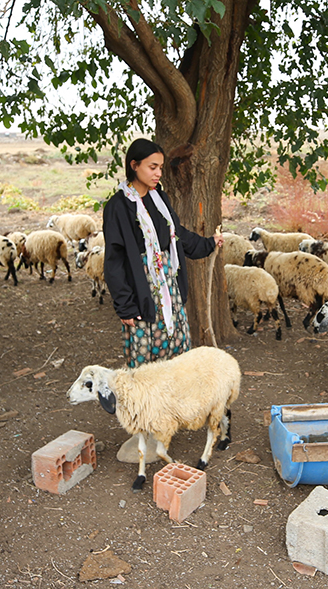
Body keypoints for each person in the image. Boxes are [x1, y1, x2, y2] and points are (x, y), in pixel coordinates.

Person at [102, 139, 223, 466]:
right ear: (133, 166)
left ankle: (167, 417)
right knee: (144, 358)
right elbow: (114, 259)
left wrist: (207, 244)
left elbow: (176, 234)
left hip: (168, 288)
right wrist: (125, 305)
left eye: (159, 167)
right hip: (142, 292)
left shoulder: (160, 198)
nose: (158, 173)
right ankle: (144, 425)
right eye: (151, 167)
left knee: (175, 353)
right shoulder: (118, 206)